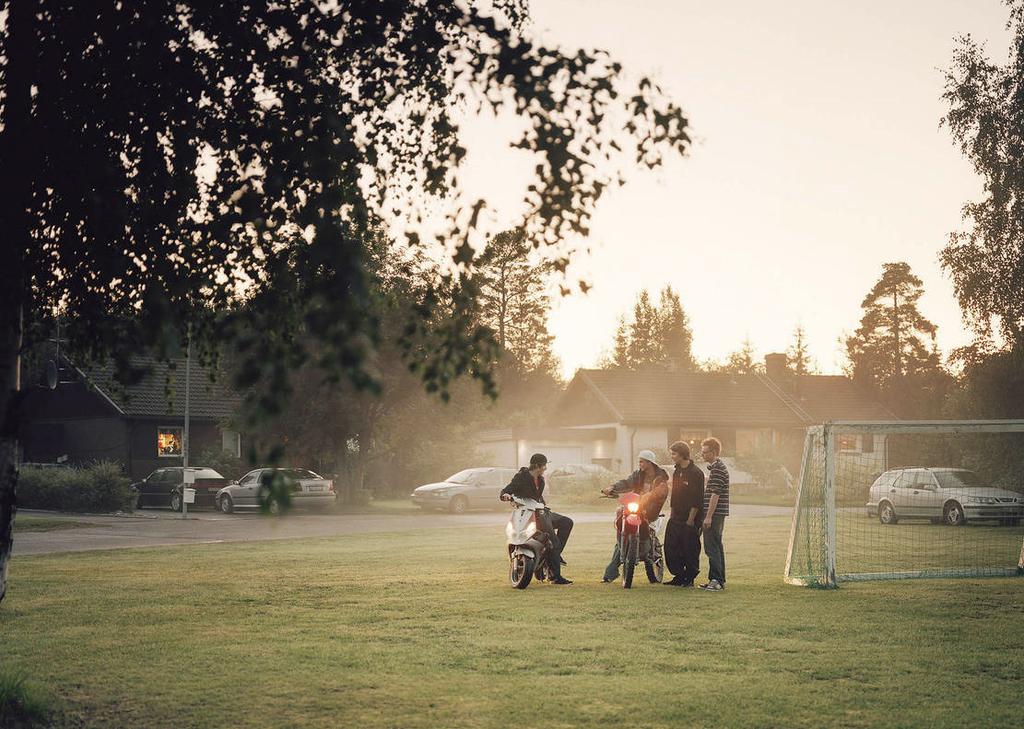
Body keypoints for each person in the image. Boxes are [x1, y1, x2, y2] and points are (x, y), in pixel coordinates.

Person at [500, 453, 573, 585]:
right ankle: (555, 576)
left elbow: (538, 498)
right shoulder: (522, 476)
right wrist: (505, 495)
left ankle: (553, 555)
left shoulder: (541, 479)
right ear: (537, 465)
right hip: (527, 512)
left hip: (541, 511)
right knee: (553, 541)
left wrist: (543, 506)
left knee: (567, 522)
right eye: (544, 466)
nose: (545, 468)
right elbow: (507, 489)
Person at [600, 449, 669, 582]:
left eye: (642, 461)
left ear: (650, 462)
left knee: (624, 542)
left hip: (651, 511)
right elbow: (626, 483)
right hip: (637, 508)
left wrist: (650, 495)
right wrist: (612, 487)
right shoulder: (638, 475)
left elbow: (661, 492)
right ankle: (617, 558)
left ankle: (610, 573)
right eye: (639, 461)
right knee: (620, 516)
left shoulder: (661, 477)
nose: (640, 464)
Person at [663, 441, 705, 587]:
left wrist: (690, 520)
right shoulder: (676, 471)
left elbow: (697, 499)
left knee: (689, 548)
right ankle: (679, 576)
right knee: (671, 546)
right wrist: (672, 514)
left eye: (674, 454)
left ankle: (689, 578)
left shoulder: (696, 473)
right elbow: (675, 494)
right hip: (676, 516)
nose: (672, 457)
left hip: (690, 518)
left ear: (682, 454)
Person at [699, 437, 730, 591]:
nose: (702, 454)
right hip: (717, 514)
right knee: (716, 546)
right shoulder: (715, 468)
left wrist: (708, 516)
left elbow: (715, 494)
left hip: (715, 514)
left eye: (705, 452)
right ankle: (717, 579)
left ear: (714, 452)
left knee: (711, 547)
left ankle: (716, 580)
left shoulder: (718, 469)